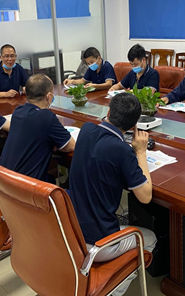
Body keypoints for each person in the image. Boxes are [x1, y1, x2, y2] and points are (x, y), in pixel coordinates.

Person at [67, 92, 156, 296]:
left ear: (108, 112)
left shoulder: (87, 129)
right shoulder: (121, 150)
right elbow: (145, 196)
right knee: (149, 238)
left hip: (71, 231)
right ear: (134, 126)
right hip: (98, 243)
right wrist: (141, 152)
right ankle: (112, 291)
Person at [0, 74, 75, 182]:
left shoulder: (18, 111)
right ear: (49, 96)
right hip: (27, 186)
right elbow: (70, 146)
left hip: (4, 181)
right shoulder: (46, 116)